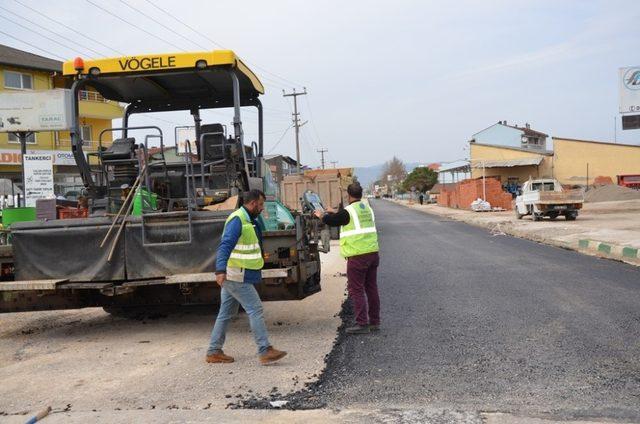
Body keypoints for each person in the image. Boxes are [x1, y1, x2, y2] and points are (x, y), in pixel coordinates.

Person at [206, 189, 287, 365]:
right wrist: (220, 270)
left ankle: (213, 351)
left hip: (236, 273)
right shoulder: (238, 220)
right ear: (252, 203)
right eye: (260, 205)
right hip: (236, 274)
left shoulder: (249, 220)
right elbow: (225, 245)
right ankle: (265, 350)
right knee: (255, 308)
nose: (262, 209)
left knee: (226, 313)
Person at [314, 182, 380, 334]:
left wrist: (321, 215)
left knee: (356, 289)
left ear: (348, 195)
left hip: (357, 256)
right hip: (373, 253)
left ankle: (362, 324)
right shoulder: (367, 208)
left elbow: (333, 221)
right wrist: (333, 211)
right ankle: (375, 321)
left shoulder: (347, 211)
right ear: (360, 194)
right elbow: (344, 217)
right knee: (371, 288)